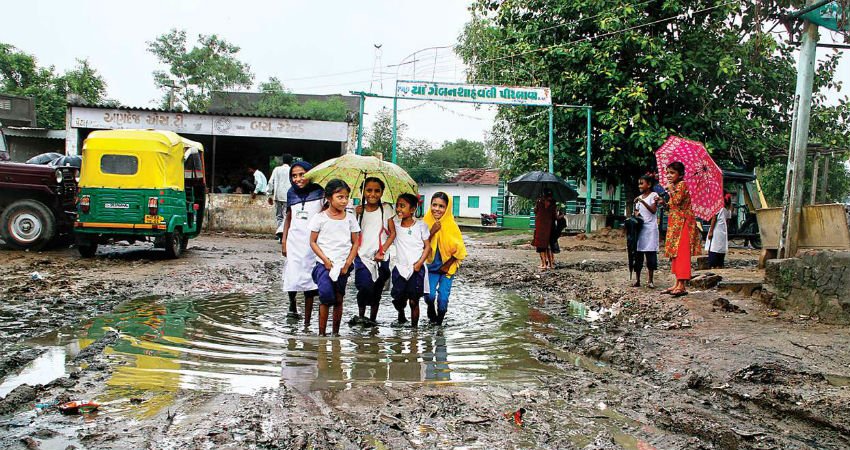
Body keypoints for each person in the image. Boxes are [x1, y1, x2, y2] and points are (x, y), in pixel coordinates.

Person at [309, 179, 360, 336]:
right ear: (329, 197)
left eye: (346, 197)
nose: (344, 201)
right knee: (325, 296)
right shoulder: (320, 218)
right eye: (340, 197)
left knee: (339, 298)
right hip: (324, 265)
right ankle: (322, 334)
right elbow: (312, 242)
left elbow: (356, 242)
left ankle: (335, 334)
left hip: (343, 264)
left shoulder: (350, 218)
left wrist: (348, 263)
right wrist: (325, 260)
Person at [281, 161, 323, 327]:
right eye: (294, 175)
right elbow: (289, 217)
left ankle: (308, 318)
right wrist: (284, 240)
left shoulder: (319, 191)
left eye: (302, 174)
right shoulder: (291, 193)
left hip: (313, 241)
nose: (298, 178)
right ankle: (292, 305)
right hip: (294, 239)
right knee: (292, 272)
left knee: (310, 275)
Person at [352, 177, 396, 326]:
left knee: (377, 289)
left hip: (381, 256)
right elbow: (352, 233)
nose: (373, 194)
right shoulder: (358, 210)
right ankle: (361, 316)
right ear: (362, 192)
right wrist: (356, 214)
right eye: (369, 190)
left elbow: (392, 233)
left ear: (382, 192)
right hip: (362, 255)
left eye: (377, 190)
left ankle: (373, 320)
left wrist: (382, 250)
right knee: (364, 286)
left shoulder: (387, 209)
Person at [423, 192, 467, 326]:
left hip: (447, 268)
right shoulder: (425, 223)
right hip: (430, 267)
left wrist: (447, 264)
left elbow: (460, 250)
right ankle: (430, 307)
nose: (437, 209)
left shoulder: (451, 225)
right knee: (429, 296)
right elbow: (419, 244)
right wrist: (432, 232)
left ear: (447, 208)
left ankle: (439, 326)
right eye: (434, 205)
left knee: (443, 299)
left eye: (441, 206)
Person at [658, 162, 701, 296]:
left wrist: (670, 190)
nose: (669, 176)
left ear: (680, 175)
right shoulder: (676, 187)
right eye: (667, 173)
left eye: (672, 173)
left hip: (683, 224)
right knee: (675, 254)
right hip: (675, 224)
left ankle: (682, 285)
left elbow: (677, 201)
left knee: (682, 253)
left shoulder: (682, 185)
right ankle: (677, 283)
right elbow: (671, 206)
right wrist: (663, 203)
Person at [390, 193, 431, 329]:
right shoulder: (394, 226)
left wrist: (419, 263)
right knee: (398, 298)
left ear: (413, 209)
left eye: (403, 206)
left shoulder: (421, 226)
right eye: (397, 206)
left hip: (416, 267)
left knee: (414, 301)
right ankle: (401, 314)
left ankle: (414, 330)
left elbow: (427, 246)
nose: (399, 209)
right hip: (400, 267)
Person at [633, 174, 660, 288]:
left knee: (650, 255)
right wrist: (636, 213)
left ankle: (650, 280)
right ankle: (638, 280)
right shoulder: (639, 198)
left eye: (642, 183)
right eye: (639, 183)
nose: (640, 185)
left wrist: (642, 201)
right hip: (641, 230)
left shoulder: (654, 195)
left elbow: (653, 210)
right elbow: (637, 212)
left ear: (649, 185)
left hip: (650, 230)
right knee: (638, 255)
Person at [706, 193, 733, 268]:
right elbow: (728, 221)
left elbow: (714, 219)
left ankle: (713, 264)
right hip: (723, 230)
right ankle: (720, 264)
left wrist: (711, 231)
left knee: (713, 247)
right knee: (721, 247)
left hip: (716, 229)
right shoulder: (728, 210)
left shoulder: (718, 208)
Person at [532, 189, 556, 270]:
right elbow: (554, 216)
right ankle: (551, 264)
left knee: (541, 246)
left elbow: (535, 211)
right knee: (549, 246)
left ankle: (544, 265)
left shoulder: (539, 203)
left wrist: (536, 203)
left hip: (540, 227)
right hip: (549, 227)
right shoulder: (553, 204)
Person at [268, 154, 293, 228]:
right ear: (291, 161)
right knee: (286, 216)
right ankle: (283, 233)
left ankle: (279, 234)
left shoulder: (276, 169)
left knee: (279, 216)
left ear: (283, 160)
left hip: (277, 196)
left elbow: (270, 182)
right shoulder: (291, 170)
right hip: (287, 196)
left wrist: (269, 195)